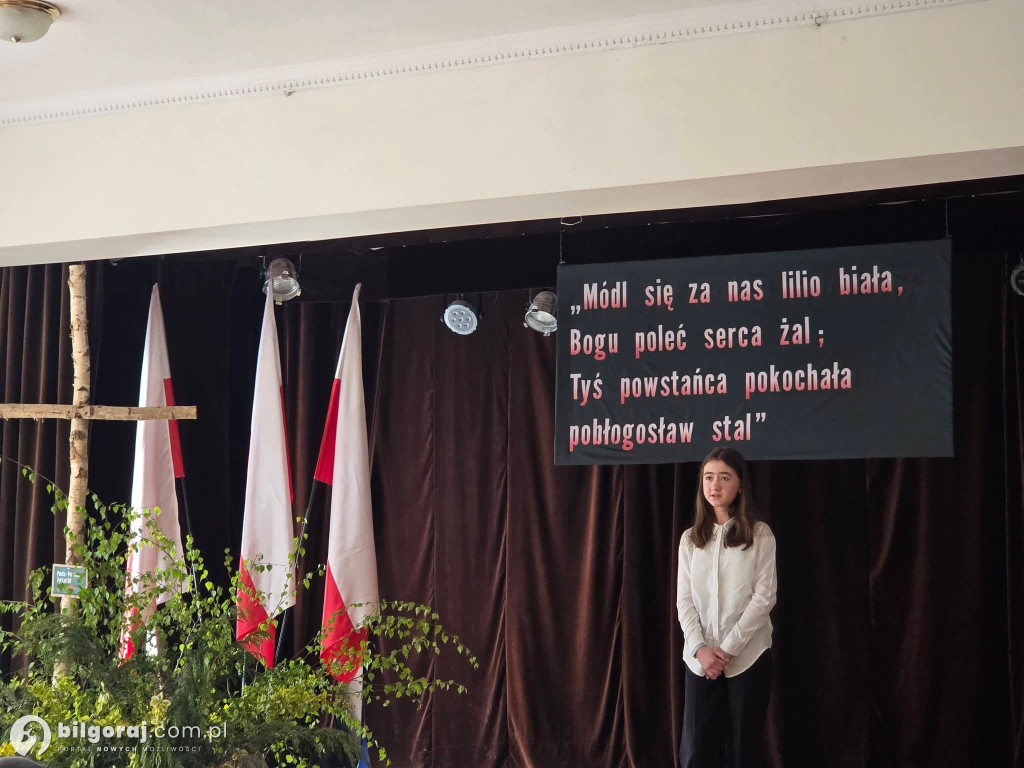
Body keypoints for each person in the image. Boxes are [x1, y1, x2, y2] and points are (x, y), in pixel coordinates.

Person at [677, 447, 777, 768]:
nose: (714, 485)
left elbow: (764, 598)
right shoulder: (690, 539)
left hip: (748, 657)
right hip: (700, 661)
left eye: (724, 477)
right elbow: (685, 600)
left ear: (739, 485)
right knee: (697, 751)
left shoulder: (760, 535)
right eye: (708, 477)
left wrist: (728, 650)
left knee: (742, 750)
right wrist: (700, 649)